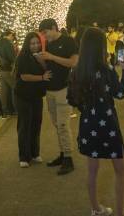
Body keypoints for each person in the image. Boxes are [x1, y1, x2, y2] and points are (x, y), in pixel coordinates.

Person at [68, 28, 124, 216]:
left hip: (87, 124)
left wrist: (87, 108)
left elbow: (72, 99)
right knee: (121, 168)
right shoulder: (106, 70)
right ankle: (119, 213)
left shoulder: (77, 71)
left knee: (92, 169)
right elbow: (120, 93)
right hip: (107, 124)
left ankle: (95, 209)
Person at [37, 18, 79, 175]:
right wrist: (42, 61)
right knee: (56, 124)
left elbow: (74, 63)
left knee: (62, 125)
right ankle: (63, 154)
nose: (44, 36)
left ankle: (68, 158)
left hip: (64, 90)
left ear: (54, 28)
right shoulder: (48, 44)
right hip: (50, 90)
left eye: (45, 32)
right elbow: (49, 65)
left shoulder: (68, 41)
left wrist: (52, 57)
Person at [14, 32, 51, 167]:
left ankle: (35, 153)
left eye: (37, 43)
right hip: (23, 95)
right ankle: (23, 156)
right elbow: (24, 76)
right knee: (25, 125)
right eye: (32, 43)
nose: (35, 46)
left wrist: (42, 62)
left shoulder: (41, 56)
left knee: (36, 123)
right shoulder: (22, 57)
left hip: (36, 95)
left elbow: (47, 70)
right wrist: (42, 78)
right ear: (27, 44)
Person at [0, 29, 17, 116]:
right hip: (8, 69)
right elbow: (13, 58)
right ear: (8, 35)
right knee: (15, 88)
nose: (13, 38)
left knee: (3, 90)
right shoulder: (7, 44)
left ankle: (4, 110)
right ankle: (15, 109)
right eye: (12, 36)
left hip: (0, 70)